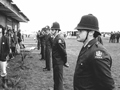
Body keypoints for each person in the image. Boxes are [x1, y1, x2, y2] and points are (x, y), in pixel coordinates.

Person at [73, 14, 115, 90]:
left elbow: (108, 85)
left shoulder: (97, 52)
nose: (77, 32)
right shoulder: (87, 47)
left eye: (80, 30)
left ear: (91, 32)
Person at [51, 22, 69, 90]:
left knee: (59, 80)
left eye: (52, 30)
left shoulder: (59, 39)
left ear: (56, 30)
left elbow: (63, 52)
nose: (51, 31)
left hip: (58, 62)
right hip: (56, 62)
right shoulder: (56, 37)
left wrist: (65, 61)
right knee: (56, 79)